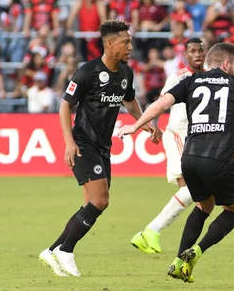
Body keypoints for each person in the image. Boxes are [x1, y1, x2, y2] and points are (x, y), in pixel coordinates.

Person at [119, 43, 234, 283]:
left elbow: (160, 105)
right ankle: (196, 253)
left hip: (190, 159)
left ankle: (179, 262)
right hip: (219, 159)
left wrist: (135, 126)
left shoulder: (191, 81)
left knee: (203, 206)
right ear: (227, 63)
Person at [39, 20, 160, 277]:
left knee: (90, 205)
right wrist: (69, 142)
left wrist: (144, 123)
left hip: (104, 146)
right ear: (109, 43)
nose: (130, 46)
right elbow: (64, 106)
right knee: (100, 200)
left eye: (130, 41)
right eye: (125, 41)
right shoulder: (87, 72)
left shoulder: (126, 73)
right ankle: (66, 251)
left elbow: (130, 101)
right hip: (83, 142)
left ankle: (52, 250)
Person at [130, 38, 206, 254]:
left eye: (201, 50)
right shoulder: (178, 77)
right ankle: (152, 231)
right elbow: (161, 103)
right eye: (192, 51)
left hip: (199, 140)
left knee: (198, 194)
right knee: (193, 190)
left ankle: (150, 233)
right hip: (179, 136)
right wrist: (152, 125)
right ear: (186, 55)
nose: (198, 54)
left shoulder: (212, 77)